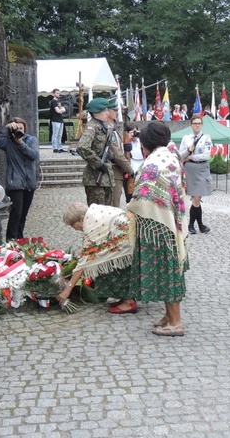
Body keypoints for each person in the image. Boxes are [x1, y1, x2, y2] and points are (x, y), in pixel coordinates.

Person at [127, 122, 189, 336]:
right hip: (173, 221)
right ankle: (168, 316)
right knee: (171, 267)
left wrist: (128, 210)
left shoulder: (152, 164)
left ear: (146, 145)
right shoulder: (171, 155)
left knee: (166, 270)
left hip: (157, 225)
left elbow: (142, 198)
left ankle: (176, 322)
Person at [58, 202, 137, 314]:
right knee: (104, 259)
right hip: (130, 239)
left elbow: (85, 261)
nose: (74, 229)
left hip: (131, 245)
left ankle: (129, 302)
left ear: (80, 219)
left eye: (73, 225)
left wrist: (67, 290)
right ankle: (125, 297)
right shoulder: (94, 211)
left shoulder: (92, 226)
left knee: (106, 264)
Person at [0, 116, 39, 241]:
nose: (19, 130)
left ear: (25, 128)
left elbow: (34, 155)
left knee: (23, 215)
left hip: (29, 183)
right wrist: (6, 128)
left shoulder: (31, 140)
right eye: (16, 128)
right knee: (16, 213)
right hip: (15, 183)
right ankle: (11, 240)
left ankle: (20, 239)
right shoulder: (8, 143)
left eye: (21, 128)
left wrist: (21, 143)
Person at [76, 98, 121, 206]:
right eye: (104, 111)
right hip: (95, 178)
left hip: (106, 179)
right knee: (97, 215)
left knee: (107, 213)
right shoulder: (92, 126)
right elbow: (82, 147)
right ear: (96, 113)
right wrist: (99, 163)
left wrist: (110, 156)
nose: (107, 113)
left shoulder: (104, 126)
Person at [178, 116, 213, 234]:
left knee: (197, 198)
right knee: (195, 198)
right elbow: (180, 155)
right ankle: (199, 225)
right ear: (191, 125)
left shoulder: (206, 138)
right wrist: (188, 151)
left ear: (201, 125)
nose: (197, 125)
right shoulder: (186, 138)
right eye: (195, 123)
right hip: (190, 169)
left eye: (199, 123)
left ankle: (193, 224)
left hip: (202, 168)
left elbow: (206, 155)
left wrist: (192, 156)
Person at [49, 88, 66, 153]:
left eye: (59, 93)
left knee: (60, 135)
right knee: (55, 134)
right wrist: (61, 110)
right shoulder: (53, 101)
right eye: (57, 93)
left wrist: (61, 110)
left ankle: (59, 147)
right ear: (54, 94)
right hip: (55, 120)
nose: (58, 94)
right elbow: (58, 110)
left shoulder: (59, 101)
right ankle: (55, 147)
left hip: (60, 120)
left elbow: (64, 109)